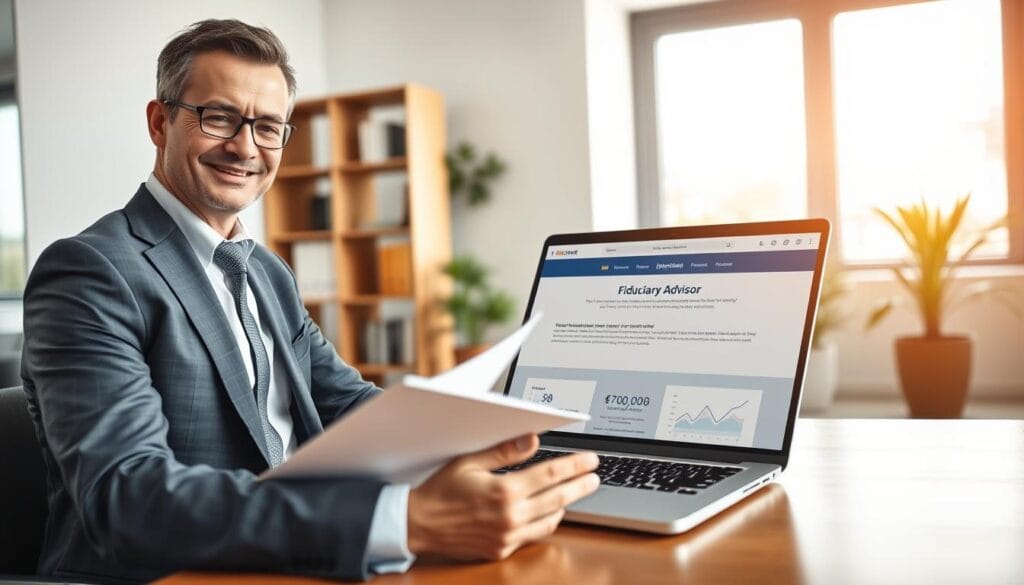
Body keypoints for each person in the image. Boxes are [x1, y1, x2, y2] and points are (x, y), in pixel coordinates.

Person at [20, 19, 599, 583]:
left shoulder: (266, 271)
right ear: (159, 122)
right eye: (218, 117)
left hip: (294, 559)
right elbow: (126, 498)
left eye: (268, 127)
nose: (245, 147)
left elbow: (349, 404)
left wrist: (484, 443)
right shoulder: (91, 271)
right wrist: (402, 520)